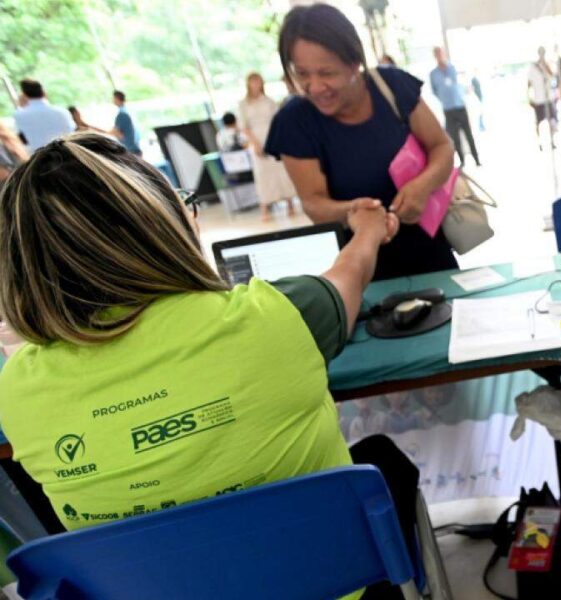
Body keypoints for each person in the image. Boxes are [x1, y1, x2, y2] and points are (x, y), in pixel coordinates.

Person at [0, 132, 414, 599]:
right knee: (383, 460)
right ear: (161, 225)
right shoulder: (273, 317)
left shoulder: (14, 389)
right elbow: (350, 273)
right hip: (331, 587)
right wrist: (368, 230)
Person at [266, 3, 458, 281]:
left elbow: (442, 146)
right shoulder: (294, 122)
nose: (315, 87)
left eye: (327, 73)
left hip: (432, 253)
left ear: (354, 62)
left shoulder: (392, 86)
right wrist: (353, 213)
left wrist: (422, 185)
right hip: (361, 272)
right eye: (302, 74)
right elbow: (313, 202)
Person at [239, 72, 298, 221]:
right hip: (256, 138)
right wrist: (255, 143)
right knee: (262, 174)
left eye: (258, 81)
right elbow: (244, 127)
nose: (256, 85)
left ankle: (289, 203)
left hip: (272, 136)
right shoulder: (243, 104)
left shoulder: (269, 101)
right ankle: (265, 208)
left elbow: (277, 121)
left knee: (280, 170)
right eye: (253, 82)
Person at [429, 46, 481, 168]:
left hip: (460, 106)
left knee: (468, 135)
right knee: (454, 137)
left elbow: (462, 85)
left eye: (440, 53)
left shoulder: (453, 68)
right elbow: (435, 91)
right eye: (437, 54)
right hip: (448, 109)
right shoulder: (433, 74)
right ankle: (462, 161)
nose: (439, 56)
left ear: (444, 54)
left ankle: (476, 159)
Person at [12, 79, 74, 153]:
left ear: (24, 95)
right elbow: (71, 132)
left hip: (39, 159)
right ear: (44, 92)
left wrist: (21, 106)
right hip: (67, 154)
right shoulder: (62, 111)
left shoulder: (19, 115)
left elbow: (22, 140)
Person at [527, 47, 558, 150]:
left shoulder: (547, 65)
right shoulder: (533, 67)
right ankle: (540, 142)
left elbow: (552, 76)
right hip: (538, 99)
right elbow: (529, 83)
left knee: (552, 121)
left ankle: (552, 141)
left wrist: (545, 65)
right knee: (539, 122)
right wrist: (529, 98)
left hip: (548, 98)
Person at [111, 90, 142, 156]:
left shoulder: (122, 114)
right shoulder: (129, 111)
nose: (112, 100)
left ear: (116, 99)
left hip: (131, 150)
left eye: (113, 98)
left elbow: (115, 132)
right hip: (135, 147)